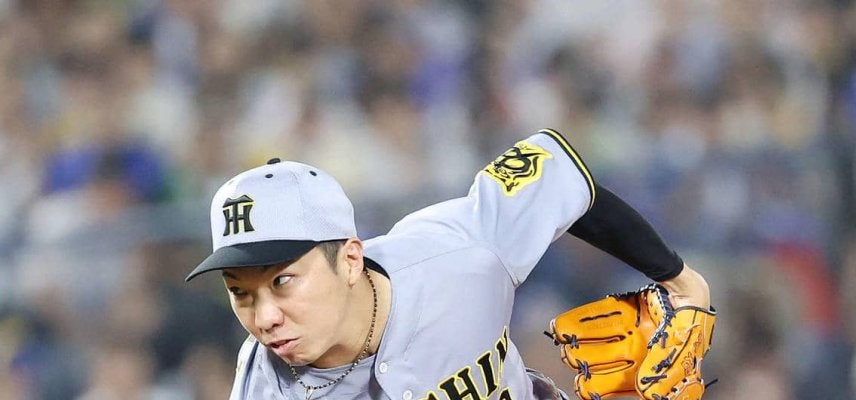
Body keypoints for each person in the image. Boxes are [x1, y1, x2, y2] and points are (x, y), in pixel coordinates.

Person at [185, 128, 711, 400]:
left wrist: (681, 280)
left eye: (282, 280)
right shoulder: (264, 383)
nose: (265, 318)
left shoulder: (455, 252)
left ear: (349, 259)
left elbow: (558, 172)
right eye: (241, 292)